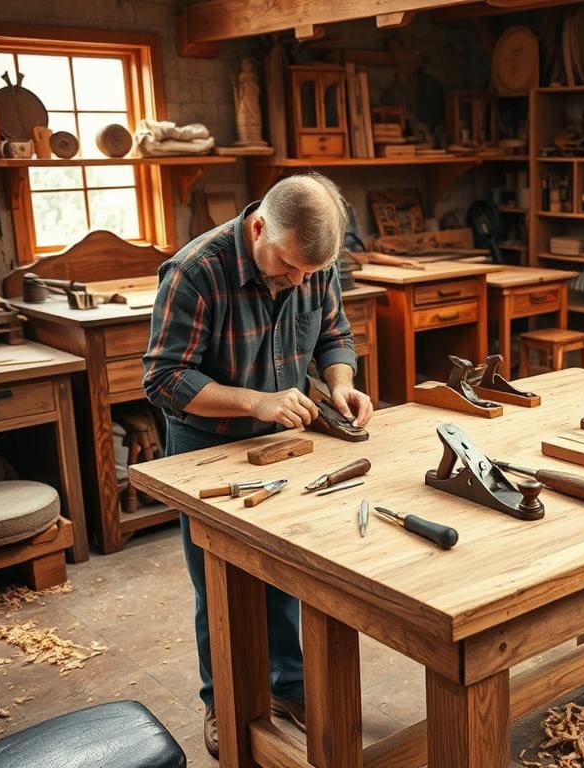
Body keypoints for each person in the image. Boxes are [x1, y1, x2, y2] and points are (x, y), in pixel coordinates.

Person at [142, 172, 373, 760]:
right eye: (289, 267)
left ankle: (290, 688)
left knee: (288, 574)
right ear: (259, 226)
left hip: (287, 442)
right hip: (205, 447)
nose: (298, 281)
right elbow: (164, 378)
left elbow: (334, 336)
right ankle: (224, 700)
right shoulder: (195, 271)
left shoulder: (310, 268)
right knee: (218, 583)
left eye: (310, 273)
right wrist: (255, 401)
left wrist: (341, 384)